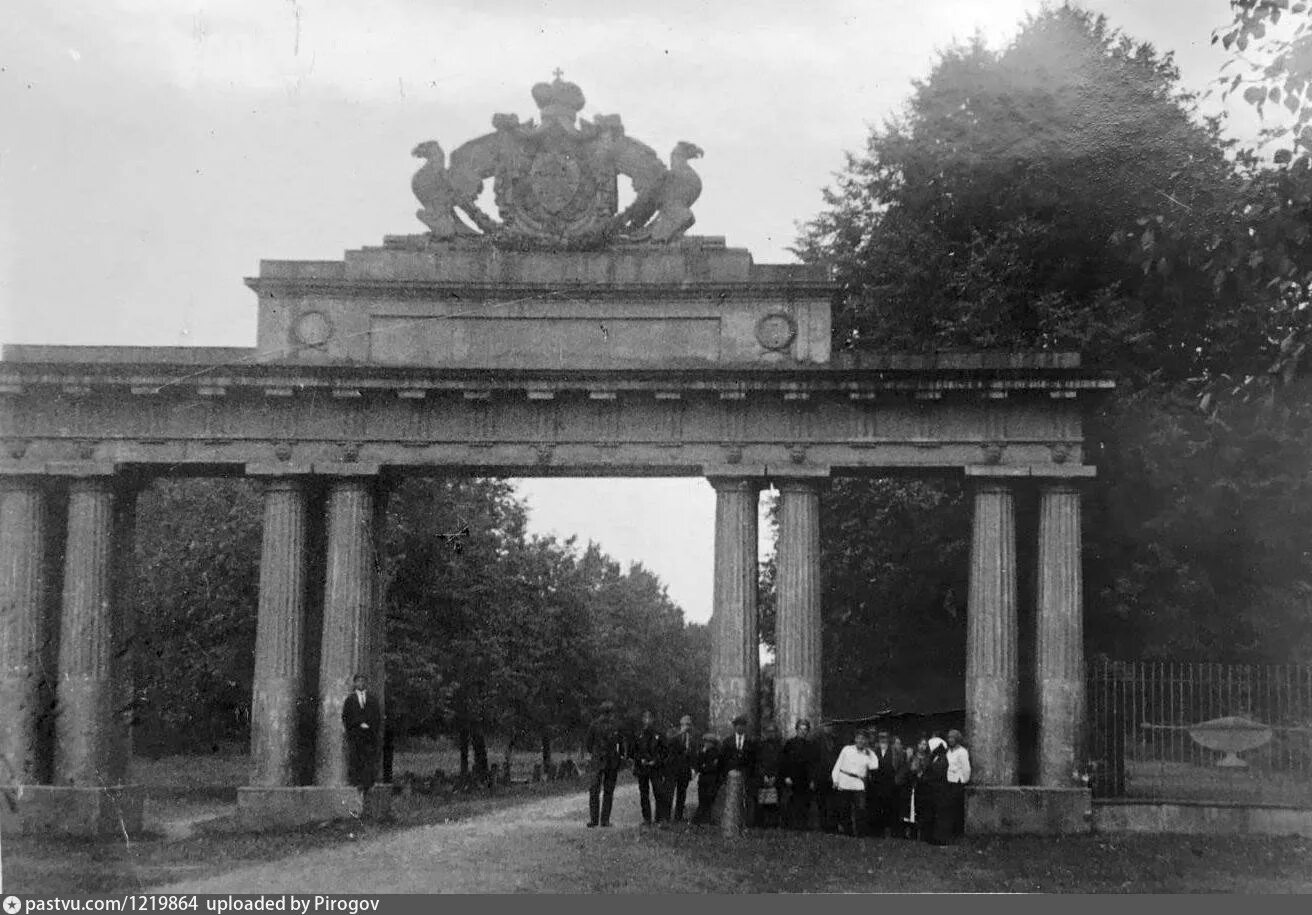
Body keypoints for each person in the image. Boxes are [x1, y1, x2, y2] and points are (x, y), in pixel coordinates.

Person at [584, 700, 626, 827]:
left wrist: (595, 754)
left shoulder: (595, 725)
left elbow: (588, 744)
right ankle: (604, 820)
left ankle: (595, 820)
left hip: (599, 760)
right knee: (607, 791)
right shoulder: (615, 726)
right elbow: (621, 744)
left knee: (595, 790)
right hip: (609, 761)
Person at [830, 728, 877, 837]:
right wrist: (835, 779)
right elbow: (838, 765)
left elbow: (874, 765)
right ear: (855, 739)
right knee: (844, 808)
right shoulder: (846, 749)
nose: (860, 741)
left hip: (858, 784)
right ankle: (848, 832)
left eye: (863, 739)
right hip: (845, 782)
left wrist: (869, 751)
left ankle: (860, 833)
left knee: (860, 809)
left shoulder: (868, 753)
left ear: (866, 741)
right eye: (858, 738)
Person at [340, 673, 381, 794]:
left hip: (369, 735)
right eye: (358, 681)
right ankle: (357, 783)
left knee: (368, 759)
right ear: (355, 683)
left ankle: (368, 783)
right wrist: (356, 726)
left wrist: (370, 726)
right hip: (356, 735)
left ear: (366, 683)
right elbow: (346, 717)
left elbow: (376, 716)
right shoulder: (350, 700)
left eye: (363, 681)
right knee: (356, 758)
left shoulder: (372, 699)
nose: (361, 683)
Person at [780, 718, 820, 830]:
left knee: (805, 803)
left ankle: (803, 825)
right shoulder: (789, 744)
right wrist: (786, 776)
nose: (803, 731)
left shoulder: (811, 746)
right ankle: (790, 825)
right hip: (792, 779)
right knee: (792, 803)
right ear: (796, 730)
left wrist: (812, 780)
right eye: (801, 729)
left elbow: (813, 764)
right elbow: (784, 761)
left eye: (805, 729)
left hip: (806, 779)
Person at [719, 714, 758, 827]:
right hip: (731, 775)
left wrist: (749, 773)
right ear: (734, 727)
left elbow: (753, 760)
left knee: (745, 799)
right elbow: (723, 760)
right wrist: (726, 774)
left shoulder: (750, 742)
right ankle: (731, 821)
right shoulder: (728, 742)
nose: (740, 728)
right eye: (738, 725)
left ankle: (744, 822)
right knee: (731, 799)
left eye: (742, 726)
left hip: (746, 775)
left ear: (745, 727)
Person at [633, 709, 668, 826]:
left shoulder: (659, 734)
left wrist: (656, 761)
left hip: (655, 768)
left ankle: (661, 817)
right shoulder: (639, 734)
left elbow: (665, 751)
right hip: (642, 768)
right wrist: (640, 759)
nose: (647, 721)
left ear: (653, 719)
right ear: (642, 720)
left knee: (659, 792)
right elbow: (635, 751)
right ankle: (646, 818)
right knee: (644, 794)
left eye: (649, 718)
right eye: (645, 718)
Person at [866, 729, 904, 837]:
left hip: (891, 784)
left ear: (889, 739)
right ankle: (877, 831)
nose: (883, 740)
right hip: (876, 784)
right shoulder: (873, 751)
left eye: (885, 737)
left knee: (891, 808)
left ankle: (892, 831)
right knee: (876, 808)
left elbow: (902, 766)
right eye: (881, 737)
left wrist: (898, 779)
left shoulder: (896, 751)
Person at [665, 714, 697, 822]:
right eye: (684, 724)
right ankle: (666, 816)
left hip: (684, 770)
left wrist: (693, 769)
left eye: (688, 724)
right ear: (680, 724)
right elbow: (669, 742)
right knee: (669, 793)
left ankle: (678, 817)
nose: (686, 726)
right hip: (673, 769)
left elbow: (693, 755)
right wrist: (681, 733)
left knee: (682, 794)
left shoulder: (692, 738)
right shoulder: (673, 733)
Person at [921, 736, 953, 846]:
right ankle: (931, 837)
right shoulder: (934, 757)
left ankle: (940, 838)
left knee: (940, 816)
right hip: (933, 790)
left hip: (939, 790)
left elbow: (937, 773)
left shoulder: (942, 758)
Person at [754, 721, 784, 828]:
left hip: (776, 778)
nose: (771, 734)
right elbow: (758, 762)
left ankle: (773, 824)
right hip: (763, 778)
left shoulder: (780, 747)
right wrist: (764, 776)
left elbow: (781, 763)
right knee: (762, 802)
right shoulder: (760, 746)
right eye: (769, 731)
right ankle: (761, 824)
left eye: (773, 731)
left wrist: (774, 776)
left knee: (775, 803)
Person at [814, 720, 842, 833]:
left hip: (834, 776)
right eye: (827, 726)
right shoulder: (816, 741)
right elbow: (814, 761)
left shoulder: (837, 741)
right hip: (821, 776)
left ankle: (832, 826)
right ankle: (823, 825)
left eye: (830, 726)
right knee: (821, 802)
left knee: (833, 802)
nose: (829, 728)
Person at [691, 732, 722, 825]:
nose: (706, 744)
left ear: (712, 743)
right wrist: (703, 766)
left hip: (712, 779)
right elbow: (698, 765)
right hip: (703, 779)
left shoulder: (716, 753)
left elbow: (713, 767)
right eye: (705, 742)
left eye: (708, 742)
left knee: (708, 800)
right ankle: (701, 819)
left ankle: (705, 819)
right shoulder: (703, 752)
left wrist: (704, 767)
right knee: (702, 799)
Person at [946, 728, 972, 838]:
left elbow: (966, 768)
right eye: (949, 738)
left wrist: (963, 780)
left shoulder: (962, 752)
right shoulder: (948, 751)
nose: (950, 740)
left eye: (952, 738)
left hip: (957, 782)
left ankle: (958, 832)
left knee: (957, 807)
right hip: (948, 781)